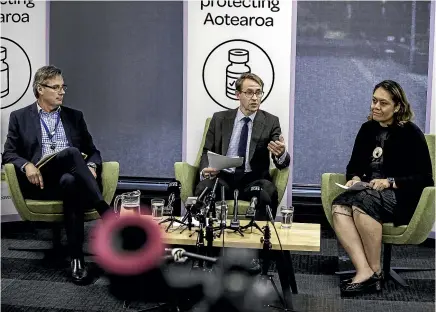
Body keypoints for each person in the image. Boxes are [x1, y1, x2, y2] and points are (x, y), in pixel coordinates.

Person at [2, 65, 112, 284]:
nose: (62, 92)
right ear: (40, 89)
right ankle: (106, 213)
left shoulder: (75, 117)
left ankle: (77, 260)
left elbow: (93, 151)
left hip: (70, 179)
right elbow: (9, 154)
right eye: (56, 87)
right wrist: (27, 166)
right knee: (71, 153)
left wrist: (90, 166)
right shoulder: (20, 117)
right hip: (41, 180)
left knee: (71, 180)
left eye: (63, 87)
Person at [331, 80, 433, 295]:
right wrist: (354, 177)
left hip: (401, 197)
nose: (375, 106)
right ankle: (365, 270)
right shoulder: (367, 129)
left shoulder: (411, 133)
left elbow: (425, 178)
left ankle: (375, 271)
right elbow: (353, 165)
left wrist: (391, 181)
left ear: (397, 107)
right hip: (368, 192)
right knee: (339, 205)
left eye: (383, 103)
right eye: (374, 101)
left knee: (362, 203)